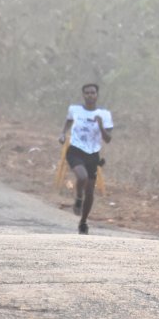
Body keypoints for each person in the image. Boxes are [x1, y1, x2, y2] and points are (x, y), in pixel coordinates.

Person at [58, 83, 113, 235]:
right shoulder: (75, 110)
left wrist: (101, 126)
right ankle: (78, 198)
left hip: (93, 154)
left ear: (97, 95)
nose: (90, 95)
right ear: (83, 95)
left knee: (90, 191)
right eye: (87, 93)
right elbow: (69, 120)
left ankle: (83, 222)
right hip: (75, 150)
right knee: (81, 177)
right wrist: (63, 133)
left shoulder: (104, 114)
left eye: (93, 92)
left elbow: (108, 139)